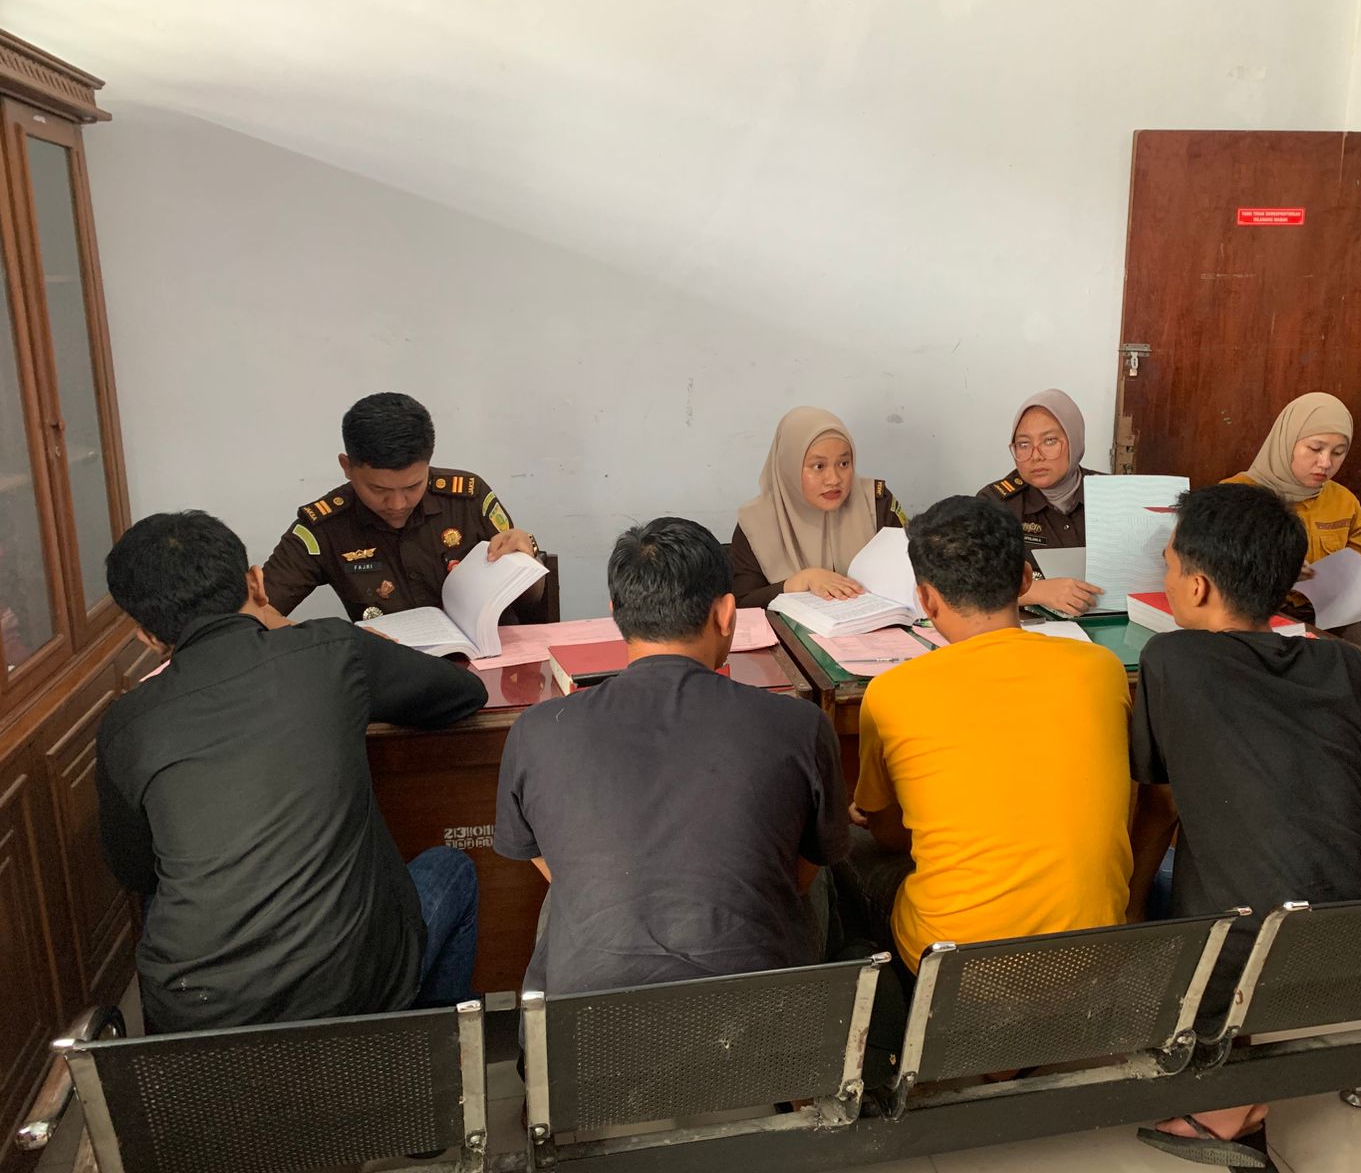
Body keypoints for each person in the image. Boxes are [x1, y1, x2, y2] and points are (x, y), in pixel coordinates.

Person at [97, 511, 485, 1034]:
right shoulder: (331, 650)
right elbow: (462, 694)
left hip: (192, 1013)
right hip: (347, 987)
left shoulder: (126, 723)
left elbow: (135, 871)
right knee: (452, 869)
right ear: (257, 583)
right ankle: (428, 1051)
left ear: (146, 635)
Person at [1127, 483, 1361, 1168]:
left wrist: (1127, 908)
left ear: (1196, 587)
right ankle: (1243, 1090)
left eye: (1168, 567)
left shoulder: (1170, 660)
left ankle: (1225, 1099)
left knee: (1170, 876)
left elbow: (1159, 810)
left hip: (1243, 952)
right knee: (1255, 860)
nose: (1166, 579)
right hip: (1355, 939)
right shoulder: (1348, 666)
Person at [493, 516, 849, 995]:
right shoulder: (800, 725)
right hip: (759, 1023)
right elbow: (803, 874)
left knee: (572, 895)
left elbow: (549, 862)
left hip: (585, 1030)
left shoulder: (536, 731)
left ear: (616, 613)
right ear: (727, 613)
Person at [842, 495, 1133, 977]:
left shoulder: (892, 692)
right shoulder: (1102, 670)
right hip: (1093, 956)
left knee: (846, 847)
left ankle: (883, 998)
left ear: (926, 599)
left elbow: (891, 837)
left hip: (954, 971)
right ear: (1025, 580)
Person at [263, 391, 545, 623]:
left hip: (490, 663)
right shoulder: (324, 526)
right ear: (346, 467)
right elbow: (255, 612)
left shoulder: (468, 498)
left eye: (412, 487)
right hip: (395, 671)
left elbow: (531, 599)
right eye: (379, 490)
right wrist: (333, 641)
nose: (397, 504)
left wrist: (527, 557)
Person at [1225, 392, 1361, 741]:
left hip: (1330, 616)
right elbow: (1214, 570)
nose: (1325, 463)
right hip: (1262, 618)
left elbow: (1352, 567)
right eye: (1315, 448)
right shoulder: (1235, 496)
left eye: (1338, 453)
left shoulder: (1343, 501)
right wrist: (1277, 574)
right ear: (1287, 441)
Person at [730, 407, 905, 609]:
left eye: (844, 463)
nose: (834, 479)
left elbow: (914, 575)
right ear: (789, 467)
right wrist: (797, 582)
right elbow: (742, 604)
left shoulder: (876, 502)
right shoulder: (756, 523)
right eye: (818, 466)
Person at [977, 389, 1104, 616]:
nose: (1036, 456)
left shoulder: (1112, 494)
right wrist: (1034, 591)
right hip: (1025, 627)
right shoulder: (996, 502)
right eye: (1024, 444)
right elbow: (971, 585)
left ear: (1074, 441)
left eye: (1049, 441)